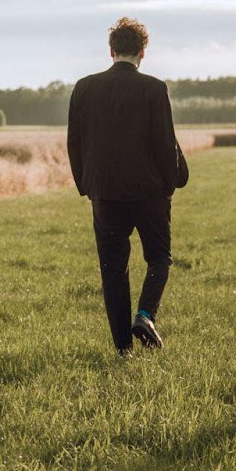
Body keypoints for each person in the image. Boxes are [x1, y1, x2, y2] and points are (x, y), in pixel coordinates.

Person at [67, 17, 188, 356]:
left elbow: (74, 142)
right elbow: (164, 142)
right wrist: (171, 183)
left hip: (104, 193)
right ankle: (145, 315)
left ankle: (123, 348)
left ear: (111, 51)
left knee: (113, 269)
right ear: (142, 52)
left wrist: (87, 185)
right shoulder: (154, 88)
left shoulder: (84, 88)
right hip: (149, 191)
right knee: (159, 258)